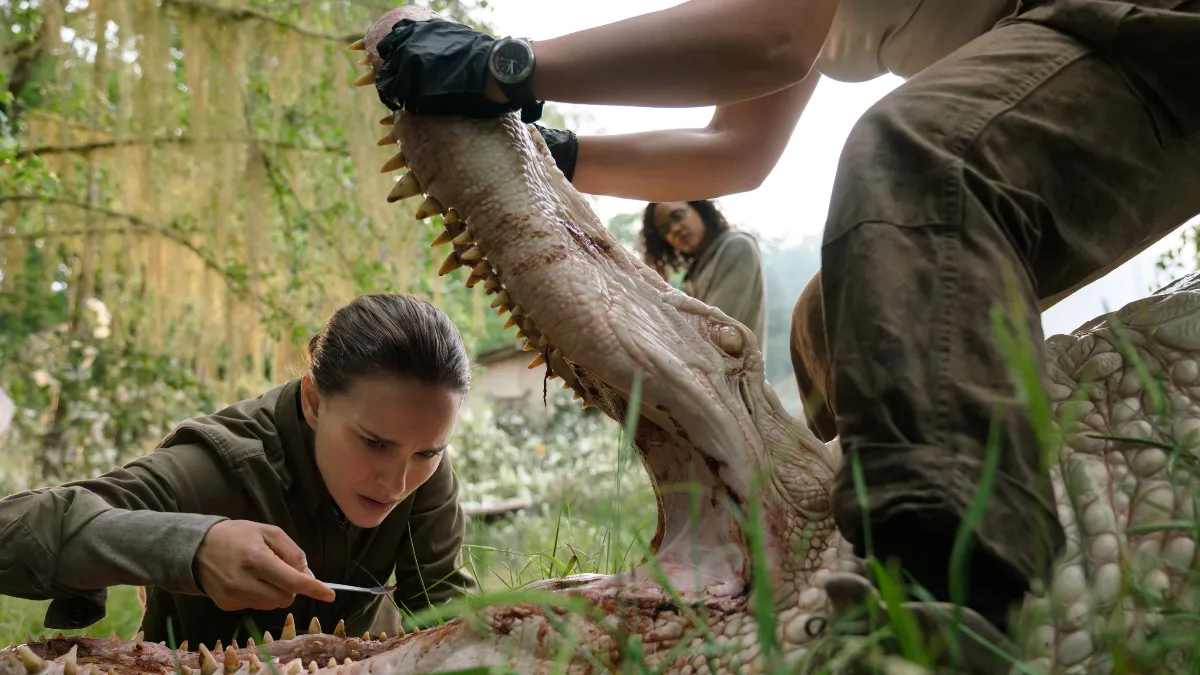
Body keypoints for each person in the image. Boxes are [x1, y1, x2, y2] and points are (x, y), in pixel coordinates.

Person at [360, 0, 1200, 667]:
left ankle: (936, 611)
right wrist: (558, 153)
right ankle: (851, 520)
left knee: (915, 158)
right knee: (835, 316)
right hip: (1061, 49)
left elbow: (768, 38)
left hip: (1143, 21)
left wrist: (505, 65)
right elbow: (740, 147)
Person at [0, 293, 476, 646]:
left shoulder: (424, 465)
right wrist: (191, 547)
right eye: (374, 443)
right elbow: (10, 530)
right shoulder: (217, 465)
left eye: (427, 452)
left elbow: (443, 617)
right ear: (313, 400)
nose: (397, 483)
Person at [641, 199, 767, 347]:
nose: (674, 229)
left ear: (699, 207)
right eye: (665, 229)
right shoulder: (697, 269)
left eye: (677, 215)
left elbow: (715, 333)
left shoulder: (737, 247)